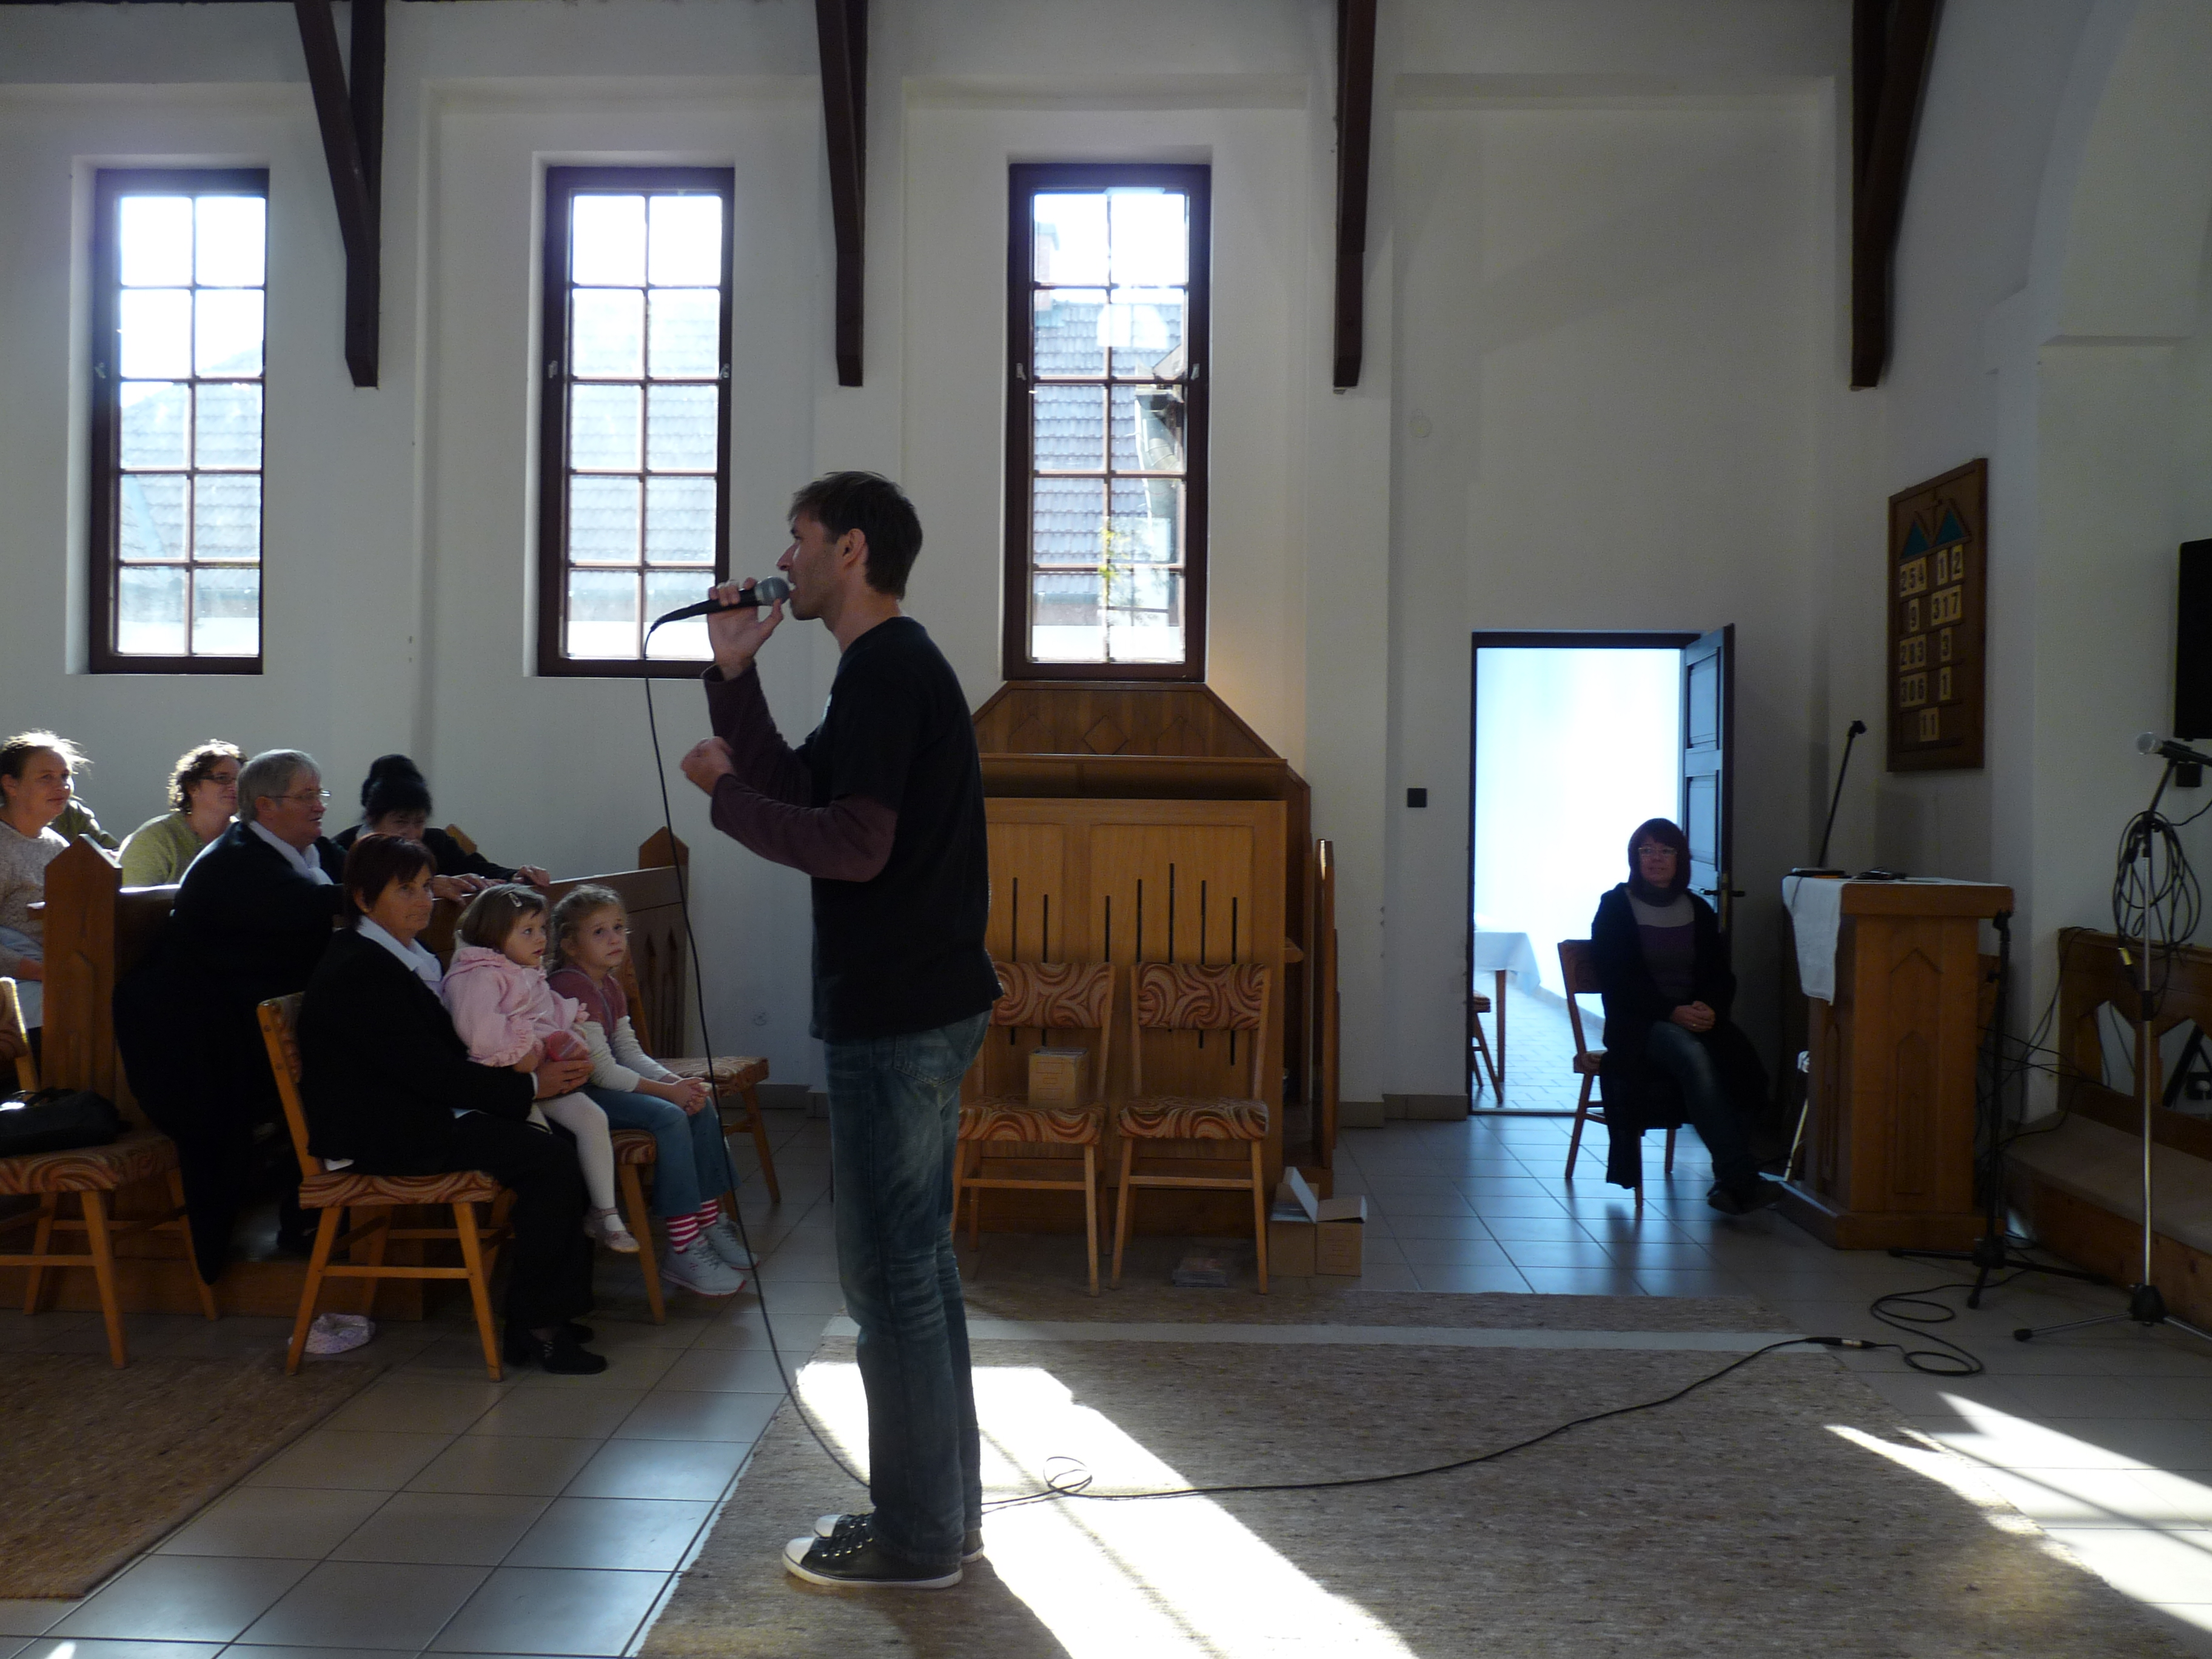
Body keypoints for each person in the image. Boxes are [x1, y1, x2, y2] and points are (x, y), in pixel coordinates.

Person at [679, 471, 999, 1590]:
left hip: (897, 1013)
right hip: (921, 1002)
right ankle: (944, 1518)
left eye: (798, 537)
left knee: (891, 1282)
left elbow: (851, 846)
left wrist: (723, 797)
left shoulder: (889, 670)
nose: (784, 558)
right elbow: (809, 789)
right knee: (919, 1270)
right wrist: (734, 678)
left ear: (850, 550)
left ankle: (916, 1538)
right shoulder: (883, 669)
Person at [298, 835, 606, 1373]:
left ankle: (546, 1311)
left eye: (425, 887)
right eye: (406, 890)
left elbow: (442, 1065)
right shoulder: (358, 969)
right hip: (381, 1130)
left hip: (419, 1109)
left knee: (561, 1142)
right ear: (365, 899)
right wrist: (531, 1089)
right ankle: (538, 1327)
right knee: (549, 1159)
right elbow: (429, 1072)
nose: (423, 901)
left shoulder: (404, 955)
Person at [546, 883, 748, 1295]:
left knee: (698, 1104)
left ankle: (710, 1223)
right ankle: (683, 1246)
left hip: (606, 1086)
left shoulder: (609, 984)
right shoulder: (572, 985)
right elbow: (602, 1071)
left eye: (619, 927)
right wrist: (667, 1094)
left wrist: (677, 1083)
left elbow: (629, 1052)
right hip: (577, 1094)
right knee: (670, 1115)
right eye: (599, 932)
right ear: (569, 944)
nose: (615, 938)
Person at [1589, 817, 1782, 1216]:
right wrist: (1670, 1012)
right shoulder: (1615, 906)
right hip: (1639, 1023)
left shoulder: (1697, 909)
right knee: (1693, 1054)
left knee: (1741, 1061)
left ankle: (1730, 1183)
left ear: (1681, 860)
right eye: (1646, 850)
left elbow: (1719, 975)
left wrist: (1710, 1007)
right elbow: (1618, 981)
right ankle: (1741, 1177)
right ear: (1634, 858)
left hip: (1693, 1018)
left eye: (1666, 850)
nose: (1656, 858)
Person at [441, 883, 638, 1254]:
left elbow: (549, 1013)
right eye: (527, 931)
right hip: (502, 1084)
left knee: (592, 1118)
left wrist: (568, 1035)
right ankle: (539, 1239)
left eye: (543, 929)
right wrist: (525, 1047)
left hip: (539, 1076)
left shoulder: (525, 971)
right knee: (546, 1151)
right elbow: (480, 1034)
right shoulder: (476, 976)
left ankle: (606, 1214)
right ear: (495, 934)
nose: (540, 939)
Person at [332, 755, 551, 889]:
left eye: (419, 822)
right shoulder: (341, 851)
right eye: (400, 822)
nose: (412, 833)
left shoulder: (437, 842)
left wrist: (515, 876)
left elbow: (480, 869)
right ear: (371, 817)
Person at [0, 731, 85, 1033]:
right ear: (11, 784)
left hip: (55, 970)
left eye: (65, 776)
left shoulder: (57, 845)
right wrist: (42, 972)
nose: (61, 786)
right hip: (17, 981)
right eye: (46, 777)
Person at [118, 740, 244, 885]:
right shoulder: (155, 840)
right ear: (192, 787)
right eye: (222, 778)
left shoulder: (247, 838)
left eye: (240, 780)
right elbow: (130, 897)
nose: (234, 787)